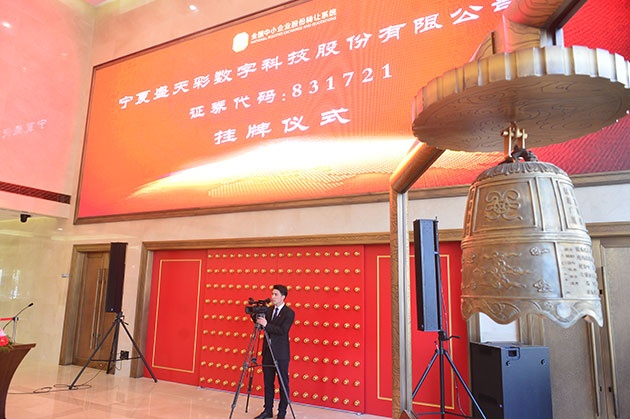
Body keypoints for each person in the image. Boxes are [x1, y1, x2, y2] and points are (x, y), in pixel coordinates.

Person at [254, 284, 295, 419]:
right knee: (268, 382)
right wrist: (255, 314)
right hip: (267, 352)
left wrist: (267, 325)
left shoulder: (289, 313)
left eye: (276, 294)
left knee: (283, 383)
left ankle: (282, 412)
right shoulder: (269, 310)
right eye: (272, 294)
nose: (273, 297)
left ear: (283, 297)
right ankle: (267, 410)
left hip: (281, 353)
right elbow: (260, 325)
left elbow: (282, 330)